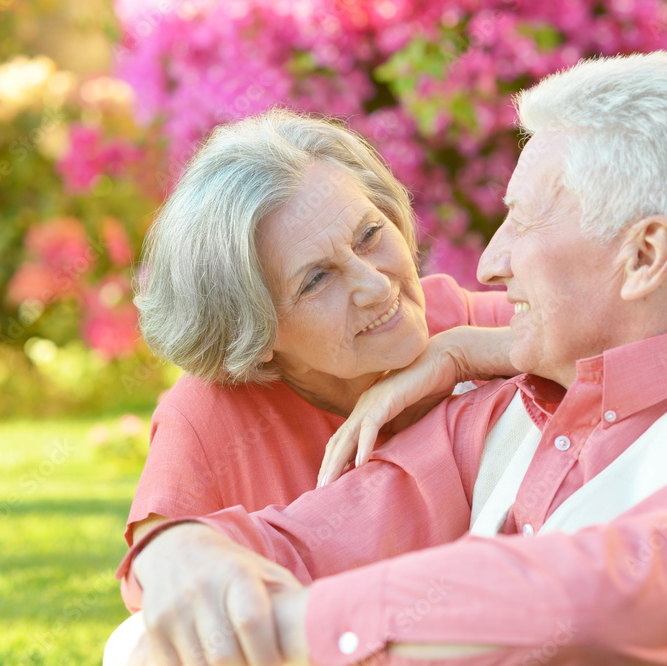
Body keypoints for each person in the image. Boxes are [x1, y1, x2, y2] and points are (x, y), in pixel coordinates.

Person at [119, 51, 667, 665]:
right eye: (316, 279)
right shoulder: (493, 418)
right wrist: (180, 548)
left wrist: (296, 626)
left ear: (644, 256)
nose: (490, 263)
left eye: (522, 220)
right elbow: (305, 539)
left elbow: (602, 586)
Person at [125, 109, 515, 551]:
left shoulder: (460, 320)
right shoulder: (207, 417)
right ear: (254, 329)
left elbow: (605, 341)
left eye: (369, 235)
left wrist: (460, 354)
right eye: (316, 280)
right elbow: (161, 566)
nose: (374, 284)